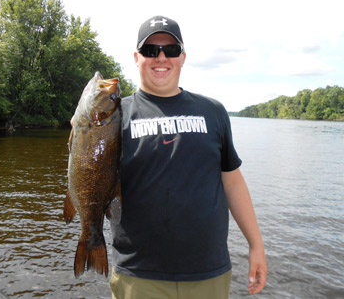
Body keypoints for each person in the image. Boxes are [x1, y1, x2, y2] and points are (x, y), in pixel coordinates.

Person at [108, 15, 268, 299]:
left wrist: (256, 245)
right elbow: (88, 173)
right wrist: (83, 128)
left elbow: (232, 182)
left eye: (170, 50)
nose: (161, 57)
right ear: (136, 57)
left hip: (208, 273)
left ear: (182, 57)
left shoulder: (213, 111)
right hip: (139, 274)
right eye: (150, 50)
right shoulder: (113, 115)